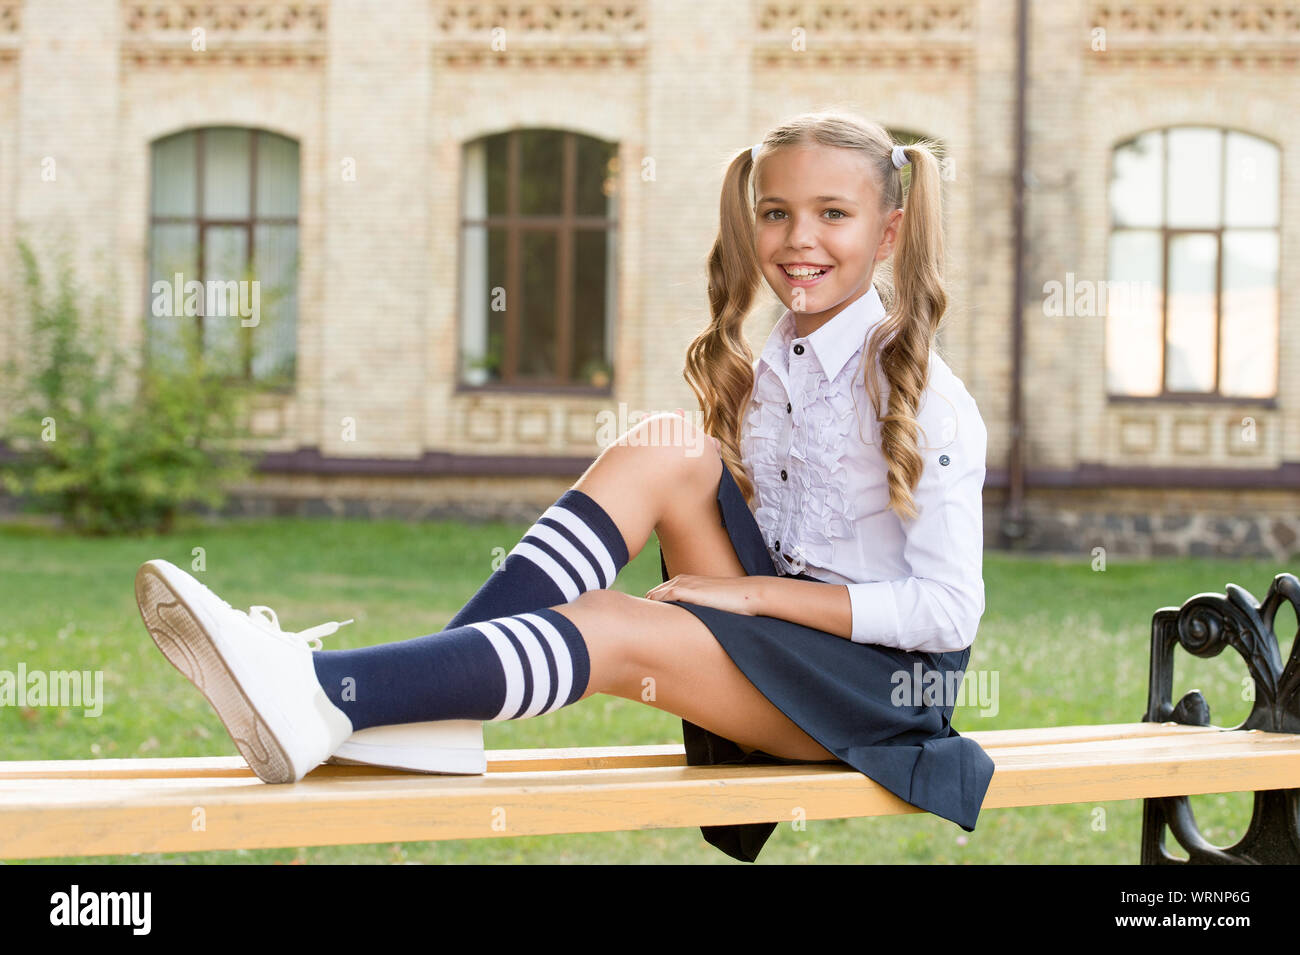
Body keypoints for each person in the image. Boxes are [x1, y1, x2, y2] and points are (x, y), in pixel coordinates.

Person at [134, 108, 995, 864]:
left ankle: (326, 691)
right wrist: (754, 588)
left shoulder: (926, 395)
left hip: (875, 700)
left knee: (618, 620)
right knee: (666, 444)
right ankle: (423, 721)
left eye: (832, 215)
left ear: (887, 233)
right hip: (785, 649)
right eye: (776, 213)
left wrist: (759, 596)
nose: (798, 239)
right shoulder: (777, 362)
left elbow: (948, 611)